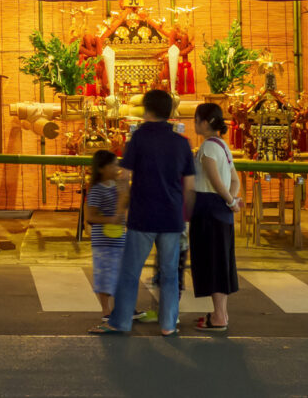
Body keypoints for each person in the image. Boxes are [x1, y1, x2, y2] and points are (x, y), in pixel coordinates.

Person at [92, 88, 196, 337]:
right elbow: (190, 186)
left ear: (146, 109)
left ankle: (120, 322)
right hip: (172, 217)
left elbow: (124, 178)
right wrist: (186, 216)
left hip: (142, 215)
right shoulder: (182, 143)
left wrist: (120, 210)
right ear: (170, 112)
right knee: (170, 274)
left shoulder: (137, 139)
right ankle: (168, 324)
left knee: (130, 272)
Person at [189, 101, 240, 332]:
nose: (194, 123)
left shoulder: (208, 147)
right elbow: (234, 179)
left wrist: (229, 200)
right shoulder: (223, 145)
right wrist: (231, 200)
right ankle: (222, 313)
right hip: (221, 209)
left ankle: (218, 316)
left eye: (196, 118)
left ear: (206, 122)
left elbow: (213, 179)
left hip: (208, 207)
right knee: (222, 259)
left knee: (212, 261)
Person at [84, 149, 125, 316]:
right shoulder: (97, 190)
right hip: (103, 240)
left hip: (119, 237)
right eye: (113, 166)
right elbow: (90, 217)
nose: (117, 169)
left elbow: (126, 206)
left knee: (119, 273)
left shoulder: (119, 187)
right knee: (104, 274)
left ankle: (118, 309)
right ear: (102, 169)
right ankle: (106, 310)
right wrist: (110, 219)